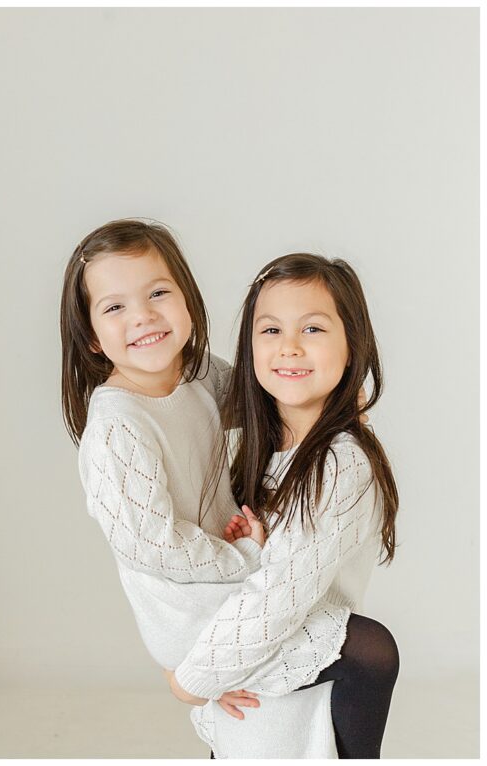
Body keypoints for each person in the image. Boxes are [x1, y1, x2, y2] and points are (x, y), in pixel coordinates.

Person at [60, 220, 396, 757]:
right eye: (114, 307)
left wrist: (344, 397)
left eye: (157, 293)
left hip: (233, 589)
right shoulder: (115, 425)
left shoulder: (193, 375)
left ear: (188, 302)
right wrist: (242, 558)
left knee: (282, 724)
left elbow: (260, 386)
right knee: (370, 648)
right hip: (198, 604)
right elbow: (153, 546)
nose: (143, 316)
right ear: (92, 336)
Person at [169, 253, 399, 758]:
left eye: (313, 328)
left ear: (352, 346)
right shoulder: (264, 448)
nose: (290, 347)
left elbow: (281, 596)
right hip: (255, 654)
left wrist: (195, 678)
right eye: (270, 330)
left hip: (299, 652)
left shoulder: (340, 463)